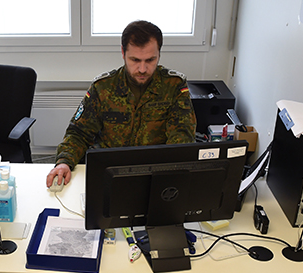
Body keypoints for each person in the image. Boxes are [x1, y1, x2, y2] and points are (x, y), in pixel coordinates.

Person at [46, 20, 197, 188]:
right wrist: (64, 162)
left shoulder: (174, 86)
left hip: (155, 175)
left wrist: (169, 175)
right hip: (108, 173)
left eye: (150, 60)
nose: (142, 68)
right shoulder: (103, 87)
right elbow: (79, 133)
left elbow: (182, 137)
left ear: (159, 55)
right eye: (135, 60)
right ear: (123, 53)